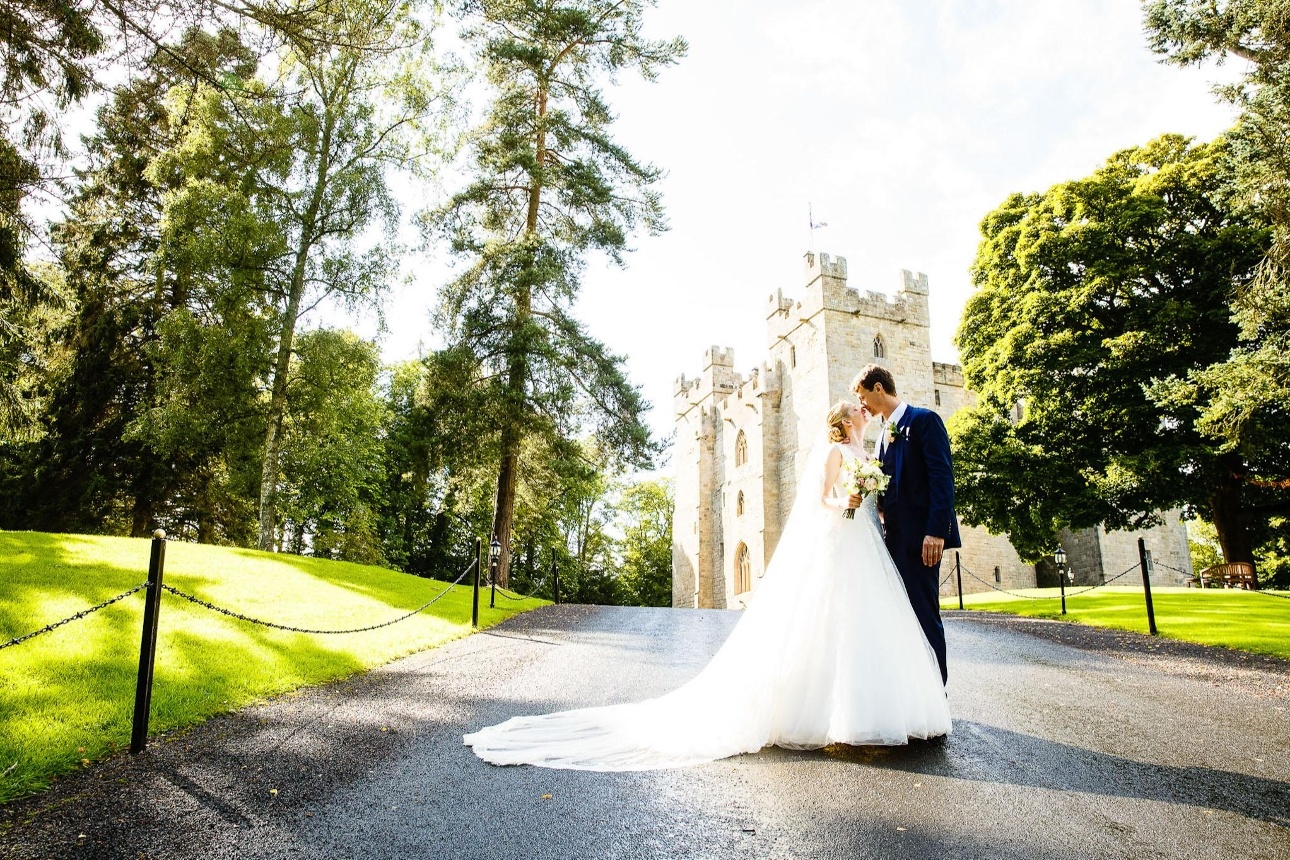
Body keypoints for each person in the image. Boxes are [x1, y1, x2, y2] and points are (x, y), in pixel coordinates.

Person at [463, 399, 951, 771]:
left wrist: (869, 500)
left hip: (866, 544)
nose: (864, 413)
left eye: (864, 407)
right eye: (856, 411)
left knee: (866, 623)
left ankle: (880, 705)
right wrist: (846, 502)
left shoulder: (873, 445)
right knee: (827, 618)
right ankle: (829, 708)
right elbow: (824, 497)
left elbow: (885, 490)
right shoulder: (836, 450)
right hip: (841, 537)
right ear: (844, 422)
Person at [853, 364, 961, 685]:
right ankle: (915, 694)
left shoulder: (924, 421)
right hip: (894, 541)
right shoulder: (882, 435)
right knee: (902, 616)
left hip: (923, 539)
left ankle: (936, 694)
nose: (863, 406)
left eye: (863, 397)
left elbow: (942, 478)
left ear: (878, 389)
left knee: (925, 615)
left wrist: (936, 532)